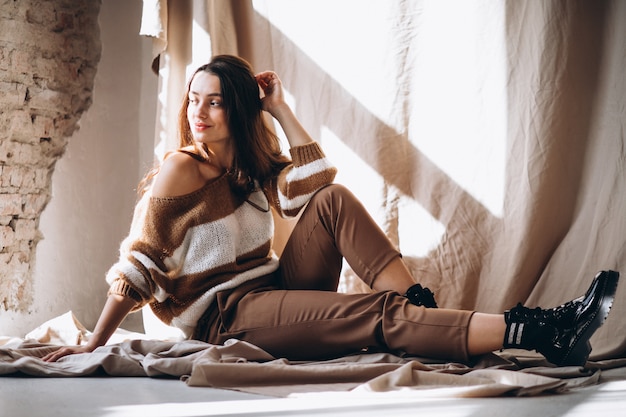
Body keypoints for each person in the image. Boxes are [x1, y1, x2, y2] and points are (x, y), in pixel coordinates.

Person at [43, 55, 619, 367]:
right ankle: (543, 330)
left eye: (216, 102)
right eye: (195, 99)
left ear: (239, 110)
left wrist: (281, 111)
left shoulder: (246, 162)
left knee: (334, 203)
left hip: (273, 284)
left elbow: (315, 187)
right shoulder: (181, 169)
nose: (200, 112)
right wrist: (96, 341)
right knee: (374, 314)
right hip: (228, 314)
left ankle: (420, 312)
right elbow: (139, 262)